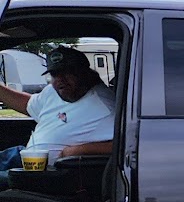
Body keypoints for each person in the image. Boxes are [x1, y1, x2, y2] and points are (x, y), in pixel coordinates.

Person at [0, 46, 115, 175]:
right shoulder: (53, 91)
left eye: (67, 72)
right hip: (26, 157)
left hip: (47, 173)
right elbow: (28, 104)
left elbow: (126, 145)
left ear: (84, 73)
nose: (61, 79)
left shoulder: (104, 106)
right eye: (55, 74)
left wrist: (76, 151)